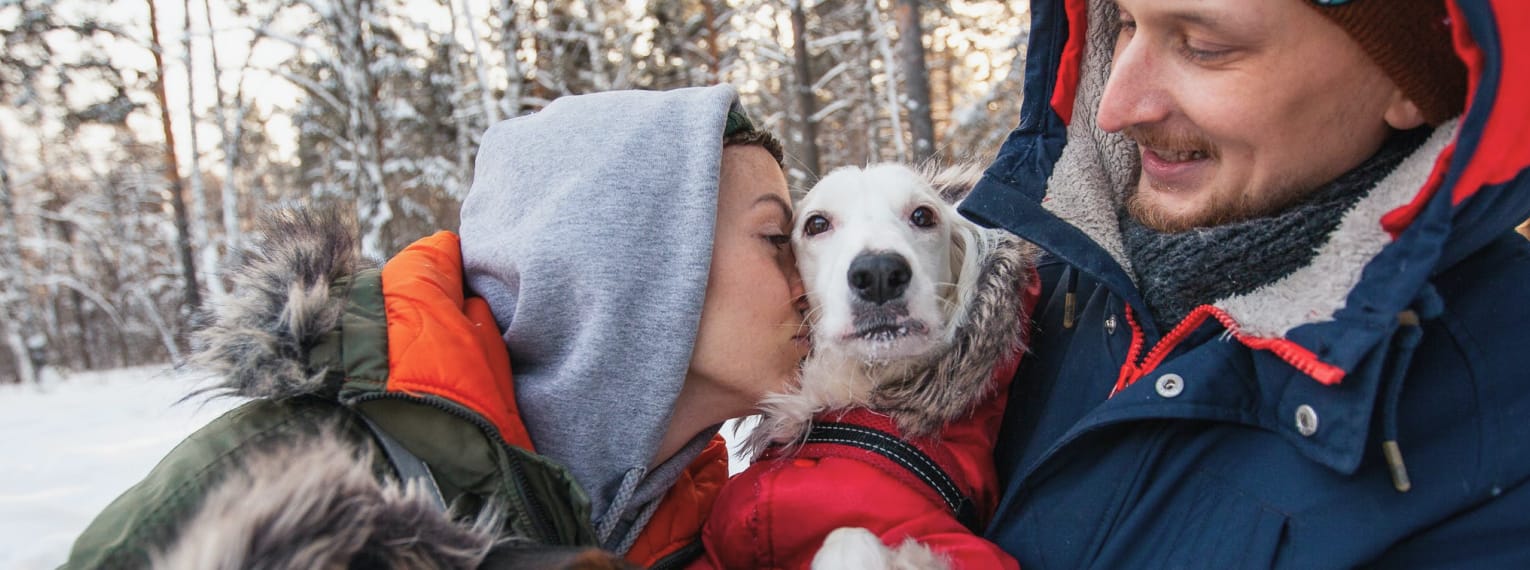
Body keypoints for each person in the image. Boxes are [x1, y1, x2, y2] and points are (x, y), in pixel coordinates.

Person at [63, 85, 809, 569]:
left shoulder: (724, 530)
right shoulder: (281, 485)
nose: (817, 277)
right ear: (637, 264)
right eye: (780, 239)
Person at [958, 0, 1530, 567]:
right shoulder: (1030, 274)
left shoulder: (1498, 430)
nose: (1116, 107)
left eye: (1206, 48)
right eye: (1126, 24)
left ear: (1408, 80)